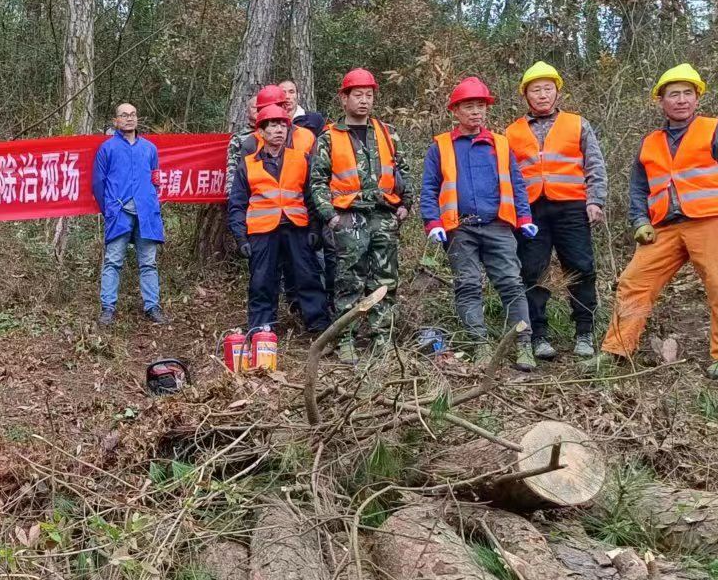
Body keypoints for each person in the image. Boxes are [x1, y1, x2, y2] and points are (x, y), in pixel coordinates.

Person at [597, 65, 718, 378]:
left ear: (697, 97)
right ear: (662, 101)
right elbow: (638, 187)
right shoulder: (649, 142)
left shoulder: (716, 130)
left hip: (710, 221)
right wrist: (639, 220)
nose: (681, 100)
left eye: (687, 93)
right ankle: (617, 348)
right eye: (674, 94)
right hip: (664, 227)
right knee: (634, 282)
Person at [421, 78, 539, 370]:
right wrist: (432, 221)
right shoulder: (441, 146)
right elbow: (429, 187)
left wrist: (524, 217)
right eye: (469, 107)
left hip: (498, 226)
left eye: (480, 106)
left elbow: (517, 184)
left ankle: (523, 344)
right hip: (460, 229)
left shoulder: (500, 144)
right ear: (456, 111)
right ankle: (480, 344)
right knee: (468, 285)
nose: (476, 112)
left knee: (511, 284)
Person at [503, 61, 607, 359]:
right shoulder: (512, 132)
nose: (542, 94)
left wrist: (595, 200)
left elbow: (595, 164)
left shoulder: (577, 123)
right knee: (532, 272)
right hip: (531, 211)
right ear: (526, 95)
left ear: (557, 92)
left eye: (548, 88)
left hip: (572, 207)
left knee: (581, 268)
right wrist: (512, 213)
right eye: (536, 90)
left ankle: (584, 332)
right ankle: (538, 336)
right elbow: (506, 175)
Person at [308, 68, 411, 362]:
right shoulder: (329, 137)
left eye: (369, 95)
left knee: (385, 279)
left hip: (384, 214)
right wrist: (330, 216)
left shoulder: (387, 132)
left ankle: (383, 338)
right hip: (348, 216)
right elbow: (317, 181)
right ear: (344, 98)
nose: (364, 101)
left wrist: (406, 204)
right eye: (358, 95)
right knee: (348, 279)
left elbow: (402, 170)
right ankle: (346, 339)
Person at [228, 99, 331, 336]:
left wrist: (315, 228)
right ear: (261, 131)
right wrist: (240, 238)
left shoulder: (301, 159)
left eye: (282, 126)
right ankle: (261, 328)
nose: (278, 131)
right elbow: (237, 204)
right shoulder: (247, 165)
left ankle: (317, 325)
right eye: (272, 126)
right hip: (262, 232)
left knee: (308, 276)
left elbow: (312, 197)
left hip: (297, 229)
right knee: (262, 281)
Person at [92, 102, 166, 326]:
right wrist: (110, 209)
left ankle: (152, 307)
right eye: (124, 115)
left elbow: (155, 178)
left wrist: (152, 201)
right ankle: (108, 308)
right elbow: (98, 183)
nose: (129, 119)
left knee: (149, 263)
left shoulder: (149, 148)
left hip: (146, 212)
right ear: (116, 121)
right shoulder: (107, 149)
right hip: (119, 212)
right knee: (113, 261)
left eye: (133, 114)